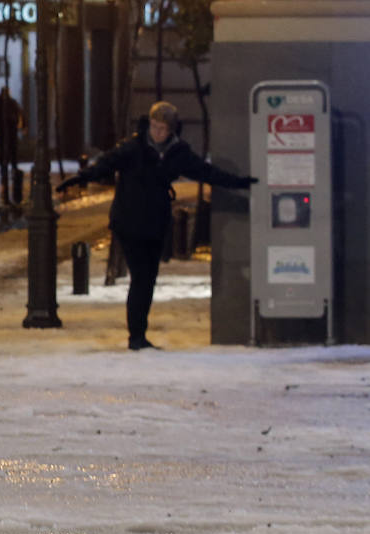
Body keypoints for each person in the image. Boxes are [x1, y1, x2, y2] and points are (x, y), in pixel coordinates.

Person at [57, 100, 258, 350]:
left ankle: (139, 335)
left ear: (171, 129)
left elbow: (206, 172)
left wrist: (240, 183)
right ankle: (137, 337)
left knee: (147, 280)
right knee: (141, 278)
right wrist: (81, 177)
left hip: (154, 223)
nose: (157, 132)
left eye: (162, 128)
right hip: (129, 222)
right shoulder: (134, 147)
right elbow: (107, 163)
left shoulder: (178, 153)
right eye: (153, 126)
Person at [0, 87, 24, 204]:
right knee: (7, 153)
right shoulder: (1, 104)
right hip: (6, 133)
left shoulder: (9, 103)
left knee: (10, 153)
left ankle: (11, 171)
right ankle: (8, 171)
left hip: (9, 133)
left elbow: (20, 114)